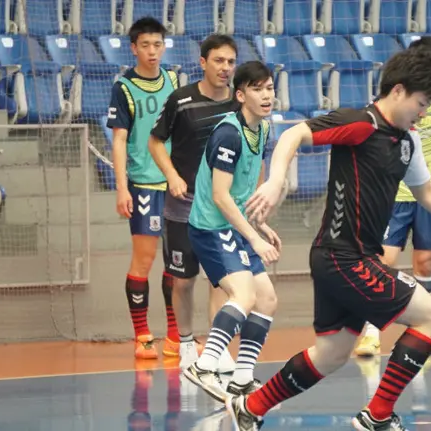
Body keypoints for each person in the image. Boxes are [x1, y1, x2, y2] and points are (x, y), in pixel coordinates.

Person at [229, 49, 431, 431]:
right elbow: (295, 132)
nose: (423, 113)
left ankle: (250, 406)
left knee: (331, 353)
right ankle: (376, 416)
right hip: (344, 257)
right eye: (421, 104)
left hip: (348, 258)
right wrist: (275, 179)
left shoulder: (407, 141)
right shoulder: (360, 123)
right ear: (399, 90)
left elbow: (427, 193)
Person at [355, 35, 431, 357]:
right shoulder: (395, 102)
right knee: (383, 262)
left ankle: (420, 333)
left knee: (424, 263)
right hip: (393, 196)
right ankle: (371, 333)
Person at [183, 61, 280, 403]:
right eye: (258, 89)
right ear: (240, 95)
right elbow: (221, 196)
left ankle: (241, 378)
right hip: (212, 227)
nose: (267, 95)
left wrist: (259, 221)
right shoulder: (228, 134)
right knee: (243, 294)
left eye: (269, 87)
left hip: (236, 224)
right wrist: (253, 237)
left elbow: (250, 183)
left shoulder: (264, 130)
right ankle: (203, 364)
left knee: (266, 298)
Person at [148, 33, 241, 372]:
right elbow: (156, 142)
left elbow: (251, 154)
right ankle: (186, 343)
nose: (225, 68)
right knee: (183, 281)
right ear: (203, 63)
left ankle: (216, 349)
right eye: (219, 60)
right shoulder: (180, 100)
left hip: (221, 211)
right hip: (183, 208)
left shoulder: (238, 105)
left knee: (223, 282)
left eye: (231, 62)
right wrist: (171, 174)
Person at [107, 17, 179, 360]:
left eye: (157, 45)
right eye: (145, 45)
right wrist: (122, 189)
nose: (152, 52)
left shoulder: (175, 81)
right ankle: (142, 335)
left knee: (178, 262)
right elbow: (119, 141)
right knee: (145, 259)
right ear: (134, 48)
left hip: (177, 183)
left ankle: (176, 333)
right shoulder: (124, 87)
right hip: (144, 185)